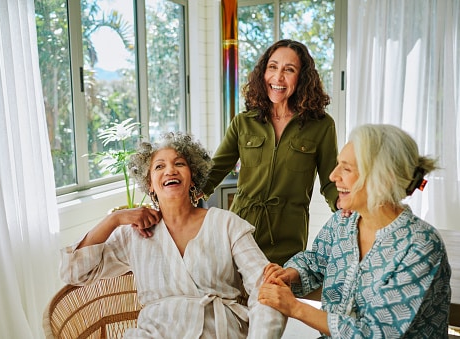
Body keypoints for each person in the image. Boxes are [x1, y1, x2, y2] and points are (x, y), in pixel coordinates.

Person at [60, 132, 287, 338]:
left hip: (218, 332)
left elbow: (266, 287)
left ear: (193, 178)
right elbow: (74, 272)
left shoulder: (226, 224)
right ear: (150, 184)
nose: (170, 170)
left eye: (179, 163)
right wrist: (114, 219)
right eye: (159, 166)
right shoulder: (133, 236)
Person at [259, 124, 452, 338]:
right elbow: (316, 261)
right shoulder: (342, 222)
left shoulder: (421, 245)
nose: (333, 176)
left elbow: (375, 333)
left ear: (382, 179)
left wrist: (294, 308)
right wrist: (290, 274)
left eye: (346, 168)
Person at [203, 39, 340, 266]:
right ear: (263, 72)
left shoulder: (322, 125)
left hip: (287, 240)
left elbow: (330, 182)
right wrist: (180, 195)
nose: (278, 77)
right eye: (273, 67)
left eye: (289, 70)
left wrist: (345, 205)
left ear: (302, 77)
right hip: (240, 233)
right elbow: (213, 171)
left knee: (274, 299)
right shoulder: (243, 122)